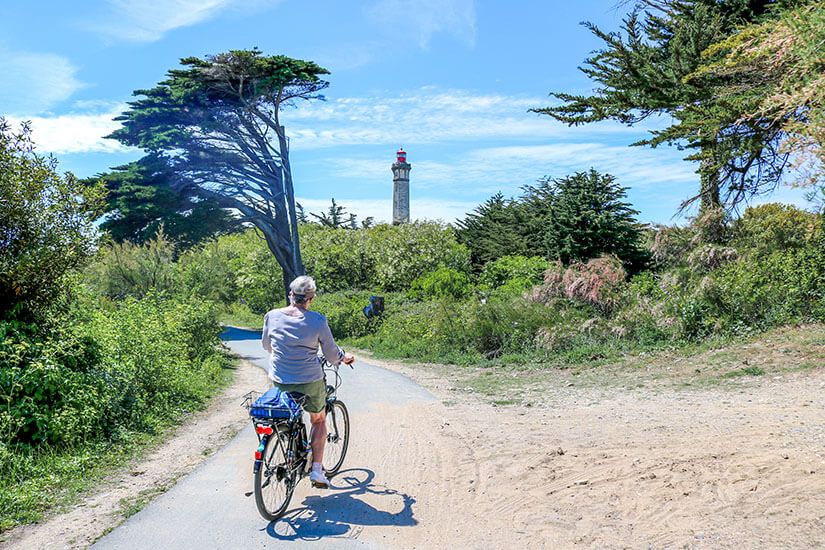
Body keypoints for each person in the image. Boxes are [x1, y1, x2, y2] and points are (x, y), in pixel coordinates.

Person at [261, 275, 354, 489]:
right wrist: (344, 357)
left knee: (287, 413)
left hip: (280, 379)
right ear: (310, 299)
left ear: (290, 295)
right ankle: (317, 470)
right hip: (309, 379)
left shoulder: (272, 316)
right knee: (318, 420)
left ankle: (288, 441)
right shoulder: (318, 320)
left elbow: (267, 345)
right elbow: (331, 355)